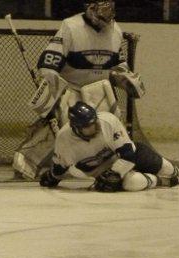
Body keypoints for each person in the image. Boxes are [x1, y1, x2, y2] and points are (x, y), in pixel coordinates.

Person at [14, 0, 145, 179]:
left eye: (110, 9)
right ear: (91, 9)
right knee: (66, 128)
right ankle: (28, 161)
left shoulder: (116, 31)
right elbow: (49, 63)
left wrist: (123, 77)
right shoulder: (71, 26)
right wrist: (52, 85)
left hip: (100, 90)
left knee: (110, 127)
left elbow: (118, 64)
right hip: (72, 89)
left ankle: (114, 164)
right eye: (103, 9)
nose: (108, 15)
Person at [40, 102, 179, 192]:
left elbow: (128, 154)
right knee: (131, 184)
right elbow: (61, 166)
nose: (94, 126)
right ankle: (159, 181)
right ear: (76, 127)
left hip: (129, 157)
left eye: (94, 121)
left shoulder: (108, 120)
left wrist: (116, 172)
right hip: (105, 169)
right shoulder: (64, 139)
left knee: (151, 160)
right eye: (88, 126)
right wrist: (53, 177)